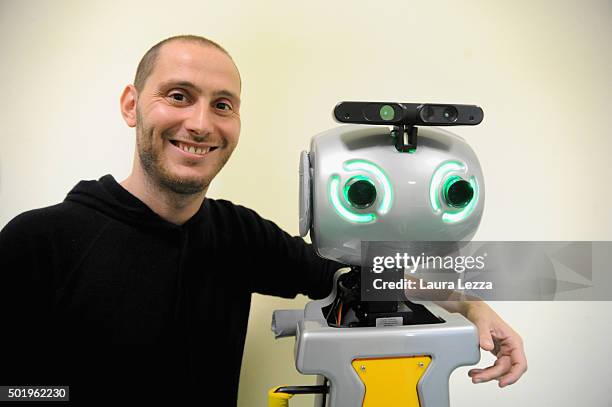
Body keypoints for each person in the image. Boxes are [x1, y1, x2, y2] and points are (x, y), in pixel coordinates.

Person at [0, 35, 527, 405]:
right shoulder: (37, 242)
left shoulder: (237, 235)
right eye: (178, 96)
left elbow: (362, 275)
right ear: (131, 105)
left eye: (222, 105)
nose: (201, 123)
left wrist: (474, 306)